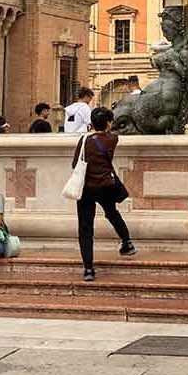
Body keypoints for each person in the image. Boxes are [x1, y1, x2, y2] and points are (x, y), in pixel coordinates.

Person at [72, 106, 136, 282]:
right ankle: (127, 242)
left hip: (86, 189)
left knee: (85, 229)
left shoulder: (85, 140)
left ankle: (88, 269)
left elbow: (75, 163)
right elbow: (110, 132)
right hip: (106, 186)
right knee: (112, 213)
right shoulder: (113, 139)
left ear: (92, 123)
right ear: (108, 123)